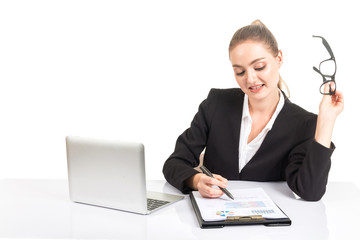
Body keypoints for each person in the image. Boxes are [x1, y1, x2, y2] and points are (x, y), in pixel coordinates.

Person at [162, 20, 344, 201]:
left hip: (272, 227)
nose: (250, 79)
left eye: (259, 67)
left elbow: (310, 191)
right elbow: (174, 163)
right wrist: (197, 180)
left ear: (279, 58)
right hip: (214, 221)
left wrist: (326, 122)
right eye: (240, 72)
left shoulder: (303, 124)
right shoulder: (216, 104)